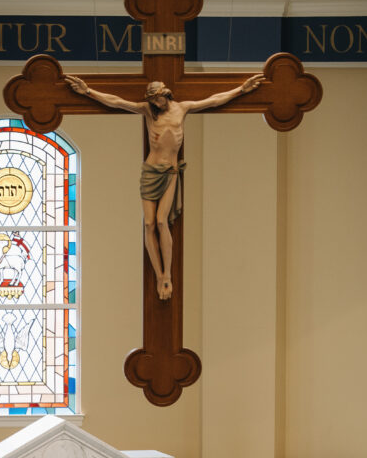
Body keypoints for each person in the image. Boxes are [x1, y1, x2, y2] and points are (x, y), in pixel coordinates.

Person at [64, 74, 264, 300]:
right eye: (151, 100)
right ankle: (158, 274)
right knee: (148, 223)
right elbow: (117, 102)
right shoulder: (148, 111)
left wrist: (241, 90)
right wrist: (88, 91)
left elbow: (214, 100)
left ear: (165, 94)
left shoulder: (183, 108)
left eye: (156, 99)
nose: (154, 103)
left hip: (170, 172)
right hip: (150, 172)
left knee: (161, 221)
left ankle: (166, 274)